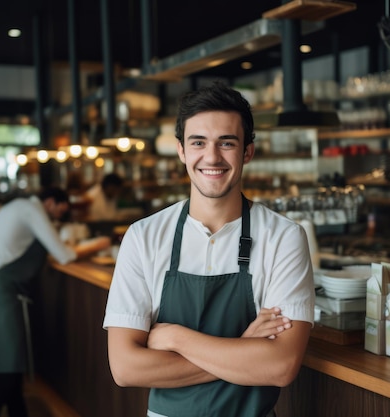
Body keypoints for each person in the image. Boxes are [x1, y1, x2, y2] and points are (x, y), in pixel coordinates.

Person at [103, 81, 315, 417]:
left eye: (226, 143)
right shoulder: (143, 237)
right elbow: (126, 368)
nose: (212, 157)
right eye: (198, 142)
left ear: (247, 151)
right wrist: (246, 349)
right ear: (181, 151)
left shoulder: (284, 238)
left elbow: (280, 367)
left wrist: (174, 338)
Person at [0, 186, 111, 417]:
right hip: (3, 296)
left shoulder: (19, 207)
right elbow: (64, 255)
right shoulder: (31, 210)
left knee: (12, 372)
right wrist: (99, 245)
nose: (58, 217)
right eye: (59, 211)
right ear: (49, 203)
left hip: (0, 292)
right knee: (6, 374)